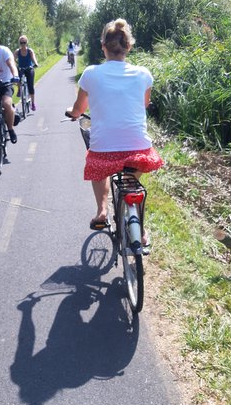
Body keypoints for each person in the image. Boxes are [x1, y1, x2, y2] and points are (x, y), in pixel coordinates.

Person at [66, 18, 163, 251]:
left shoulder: (91, 74)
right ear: (128, 47)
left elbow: (78, 110)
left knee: (98, 164)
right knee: (132, 183)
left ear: (103, 46)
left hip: (105, 149)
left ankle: (102, 210)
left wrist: (72, 112)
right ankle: (139, 225)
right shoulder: (144, 74)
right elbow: (145, 103)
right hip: (138, 148)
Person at [13, 35, 39, 110]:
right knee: (17, 78)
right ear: (19, 43)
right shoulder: (17, 51)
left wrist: (36, 63)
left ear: (26, 43)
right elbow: (12, 59)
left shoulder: (30, 51)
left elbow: (33, 58)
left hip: (29, 68)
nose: (23, 44)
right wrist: (13, 65)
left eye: (24, 42)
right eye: (21, 42)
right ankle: (19, 89)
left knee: (30, 86)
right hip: (21, 69)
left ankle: (33, 103)